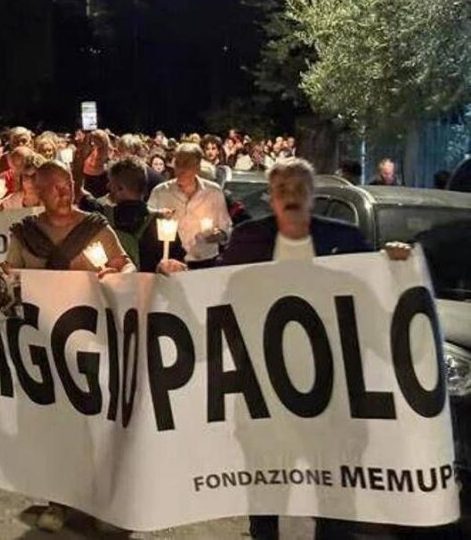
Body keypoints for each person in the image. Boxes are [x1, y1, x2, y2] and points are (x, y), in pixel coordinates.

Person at [220, 158, 409, 540]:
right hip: (265, 396)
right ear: (270, 197)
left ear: (313, 195)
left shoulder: (346, 239)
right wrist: (176, 277)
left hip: (335, 398)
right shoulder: (248, 240)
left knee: (336, 503)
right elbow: (216, 293)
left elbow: (373, 299)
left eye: (299, 188)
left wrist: (397, 267)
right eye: (282, 189)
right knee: (266, 501)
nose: (291, 196)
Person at [1, 160, 133, 532]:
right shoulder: (24, 233)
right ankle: (57, 501)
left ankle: (101, 500)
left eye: (69, 184)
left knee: (96, 421)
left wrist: (116, 273)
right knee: (54, 424)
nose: (65, 191)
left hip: (92, 341)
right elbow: (8, 277)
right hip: (44, 342)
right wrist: (4, 277)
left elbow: (125, 265)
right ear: (39, 192)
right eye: (55, 186)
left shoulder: (95, 227)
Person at [81, 157, 186, 273]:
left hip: (113, 284)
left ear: (120, 188)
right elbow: (180, 266)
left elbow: (80, 194)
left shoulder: (102, 217)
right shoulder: (163, 223)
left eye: (110, 182)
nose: (108, 186)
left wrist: (80, 159)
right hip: (153, 285)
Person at [147, 143, 231, 269]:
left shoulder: (213, 192)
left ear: (198, 166)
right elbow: (146, 222)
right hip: (170, 263)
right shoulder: (161, 192)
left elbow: (226, 227)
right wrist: (158, 214)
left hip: (204, 262)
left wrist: (218, 235)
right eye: (178, 163)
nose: (181, 169)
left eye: (186, 164)